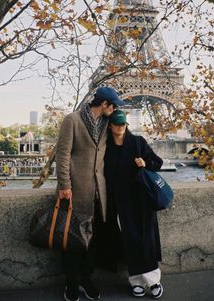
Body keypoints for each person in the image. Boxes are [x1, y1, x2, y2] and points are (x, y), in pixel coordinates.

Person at [56, 87, 125, 301]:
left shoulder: (107, 124)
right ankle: (71, 284)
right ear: (104, 104)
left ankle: (87, 279)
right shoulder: (72, 120)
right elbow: (63, 153)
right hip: (76, 190)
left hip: (99, 193)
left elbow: (125, 138)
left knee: (93, 242)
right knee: (74, 241)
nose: (115, 109)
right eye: (113, 105)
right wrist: (64, 185)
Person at [104, 110, 164, 299]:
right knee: (129, 242)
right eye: (117, 124)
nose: (120, 127)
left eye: (123, 124)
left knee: (146, 241)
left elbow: (158, 162)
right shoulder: (106, 147)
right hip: (120, 202)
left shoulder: (138, 141)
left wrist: (144, 162)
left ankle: (154, 281)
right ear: (110, 126)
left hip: (141, 200)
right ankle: (136, 281)